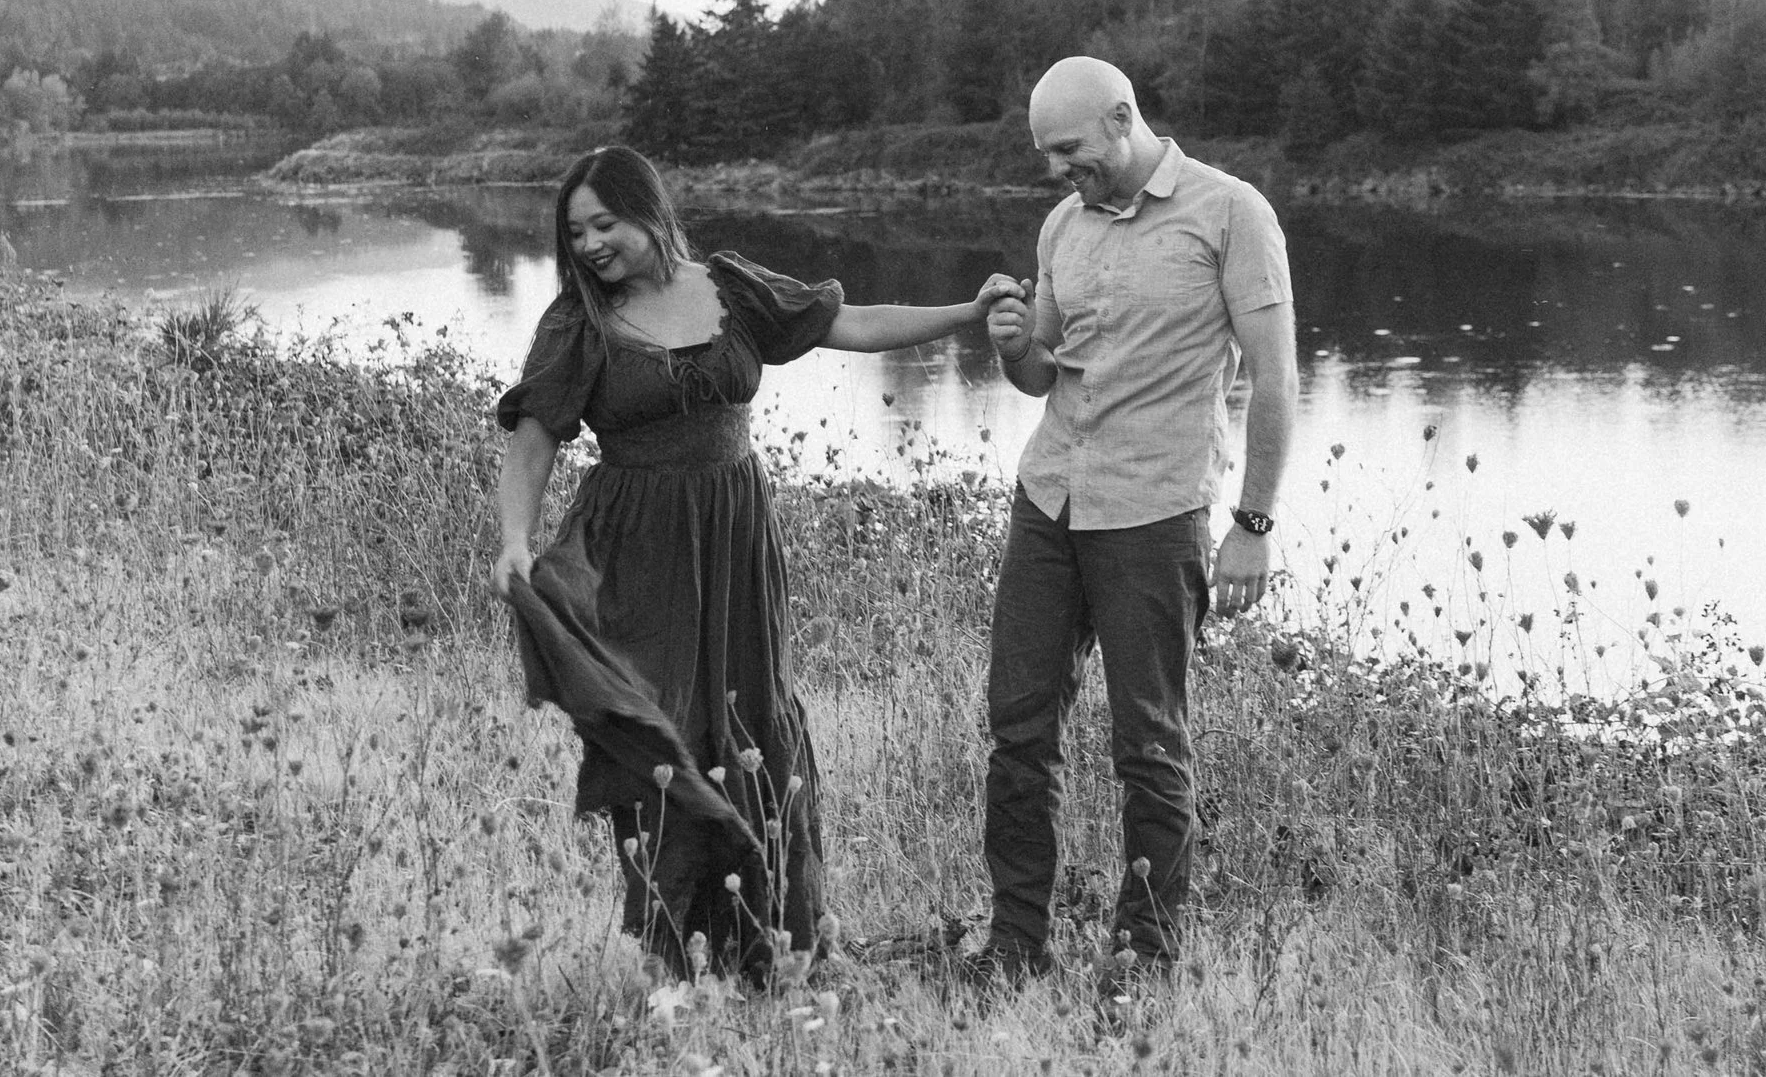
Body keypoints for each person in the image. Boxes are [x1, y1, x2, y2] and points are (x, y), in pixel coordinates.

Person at [491, 145, 1012, 983]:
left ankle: (769, 941)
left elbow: (850, 322)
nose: (589, 244)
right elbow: (534, 438)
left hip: (736, 536)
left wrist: (965, 313)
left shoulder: (729, 288)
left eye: (605, 222)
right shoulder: (578, 322)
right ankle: (674, 952)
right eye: (575, 230)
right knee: (666, 729)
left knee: (754, 717)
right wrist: (516, 540)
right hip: (641, 545)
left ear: (651, 212)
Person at [969, 56, 1297, 995]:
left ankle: (1141, 962)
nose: (1058, 171)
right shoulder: (1063, 224)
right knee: (1017, 729)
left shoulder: (1233, 213)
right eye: (1046, 156)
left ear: (1122, 120)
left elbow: (1276, 377)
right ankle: (1014, 945)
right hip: (1051, 500)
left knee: (1148, 745)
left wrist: (1255, 522)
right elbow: (1044, 373)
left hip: (1154, 514)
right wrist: (1011, 349)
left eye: (1069, 150)